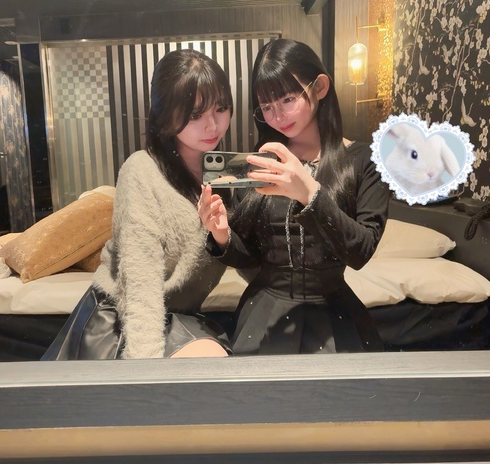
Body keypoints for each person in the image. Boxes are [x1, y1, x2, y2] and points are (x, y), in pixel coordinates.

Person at [198, 38, 389, 355]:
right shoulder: (264, 162)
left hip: (334, 311)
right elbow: (251, 257)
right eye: (267, 107)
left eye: (287, 99)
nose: (278, 116)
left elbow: (361, 251)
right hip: (263, 311)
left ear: (320, 87)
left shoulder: (363, 161)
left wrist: (309, 193)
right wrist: (221, 235)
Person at [44, 48, 234, 360]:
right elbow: (140, 280)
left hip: (178, 317)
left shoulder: (226, 174)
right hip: (121, 320)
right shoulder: (142, 171)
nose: (213, 125)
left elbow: (253, 262)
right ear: (165, 115)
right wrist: (146, 369)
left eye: (221, 108)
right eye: (195, 115)